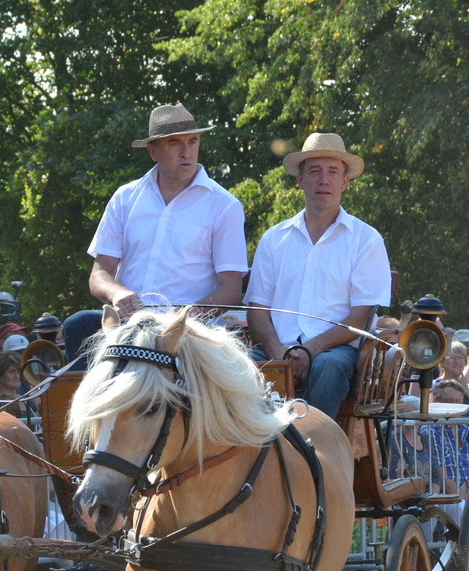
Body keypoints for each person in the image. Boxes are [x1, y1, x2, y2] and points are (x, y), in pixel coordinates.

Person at [63, 102, 248, 359]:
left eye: (192, 142)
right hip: (130, 325)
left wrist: (185, 317)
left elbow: (230, 288)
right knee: (77, 325)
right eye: (175, 144)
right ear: (153, 151)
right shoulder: (125, 198)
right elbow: (99, 273)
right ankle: (85, 400)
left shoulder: (224, 205)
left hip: (191, 329)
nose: (187, 152)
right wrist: (117, 293)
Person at [244, 132, 391, 420]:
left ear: (345, 182)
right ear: (300, 180)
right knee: (240, 366)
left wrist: (311, 349)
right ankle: (248, 456)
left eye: (332, 172)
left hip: (333, 352)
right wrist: (278, 353)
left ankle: (314, 454)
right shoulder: (274, 239)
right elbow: (257, 309)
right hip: (276, 350)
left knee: (329, 368)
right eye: (314, 171)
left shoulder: (366, 240)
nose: (323, 180)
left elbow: (359, 317)